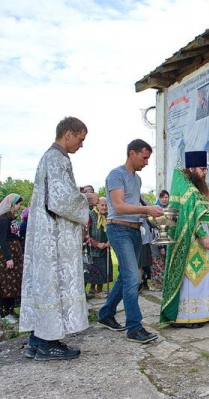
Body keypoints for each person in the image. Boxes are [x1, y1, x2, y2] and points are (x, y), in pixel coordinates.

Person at [19, 116, 98, 360]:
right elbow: (60, 201)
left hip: (46, 232)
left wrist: (78, 192)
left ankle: (36, 340)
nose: (81, 145)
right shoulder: (57, 158)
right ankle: (47, 343)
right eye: (80, 139)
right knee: (53, 284)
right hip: (53, 237)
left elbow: (57, 194)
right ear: (68, 134)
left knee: (46, 285)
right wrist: (87, 199)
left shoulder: (50, 157)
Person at [97, 139, 164, 344]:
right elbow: (118, 206)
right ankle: (134, 327)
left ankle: (106, 314)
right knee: (133, 277)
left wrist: (150, 214)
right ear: (132, 153)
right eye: (144, 158)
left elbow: (135, 206)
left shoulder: (137, 180)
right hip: (118, 229)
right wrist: (146, 210)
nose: (146, 162)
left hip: (134, 230)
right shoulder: (116, 175)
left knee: (125, 277)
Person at [160, 151, 209, 328]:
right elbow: (188, 217)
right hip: (192, 243)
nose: (204, 173)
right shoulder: (188, 190)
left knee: (200, 279)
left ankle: (199, 314)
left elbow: (199, 214)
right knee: (191, 280)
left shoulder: (194, 189)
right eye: (202, 169)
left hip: (199, 243)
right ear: (192, 168)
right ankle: (186, 317)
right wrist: (204, 236)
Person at [0, 194, 24, 324]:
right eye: (19, 204)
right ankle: (3, 313)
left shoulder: (12, 218)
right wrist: (8, 258)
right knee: (6, 284)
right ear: (12, 204)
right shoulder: (3, 220)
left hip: (16, 254)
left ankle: (11, 310)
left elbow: (17, 235)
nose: (20, 207)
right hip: (7, 255)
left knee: (14, 283)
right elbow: (2, 240)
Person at [85, 197, 112, 298]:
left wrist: (110, 241)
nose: (104, 207)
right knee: (90, 272)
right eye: (102, 205)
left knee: (103, 271)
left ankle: (99, 291)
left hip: (105, 249)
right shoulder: (90, 215)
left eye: (106, 205)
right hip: (91, 250)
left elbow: (111, 230)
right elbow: (85, 235)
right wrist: (97, 244)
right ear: (97, 205)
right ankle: (85, 293)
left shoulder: (108, 216)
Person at [150, 190, 169, 291]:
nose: (165, 199)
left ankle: (167, 283)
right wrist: (161, 246)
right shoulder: (156, 210)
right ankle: (158, 284)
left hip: (169, 240)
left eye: (166, 197)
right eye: (162, 197)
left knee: (167, 262)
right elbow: (157, 228)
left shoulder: (170, 209)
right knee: (158, 263)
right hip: (158, 241)